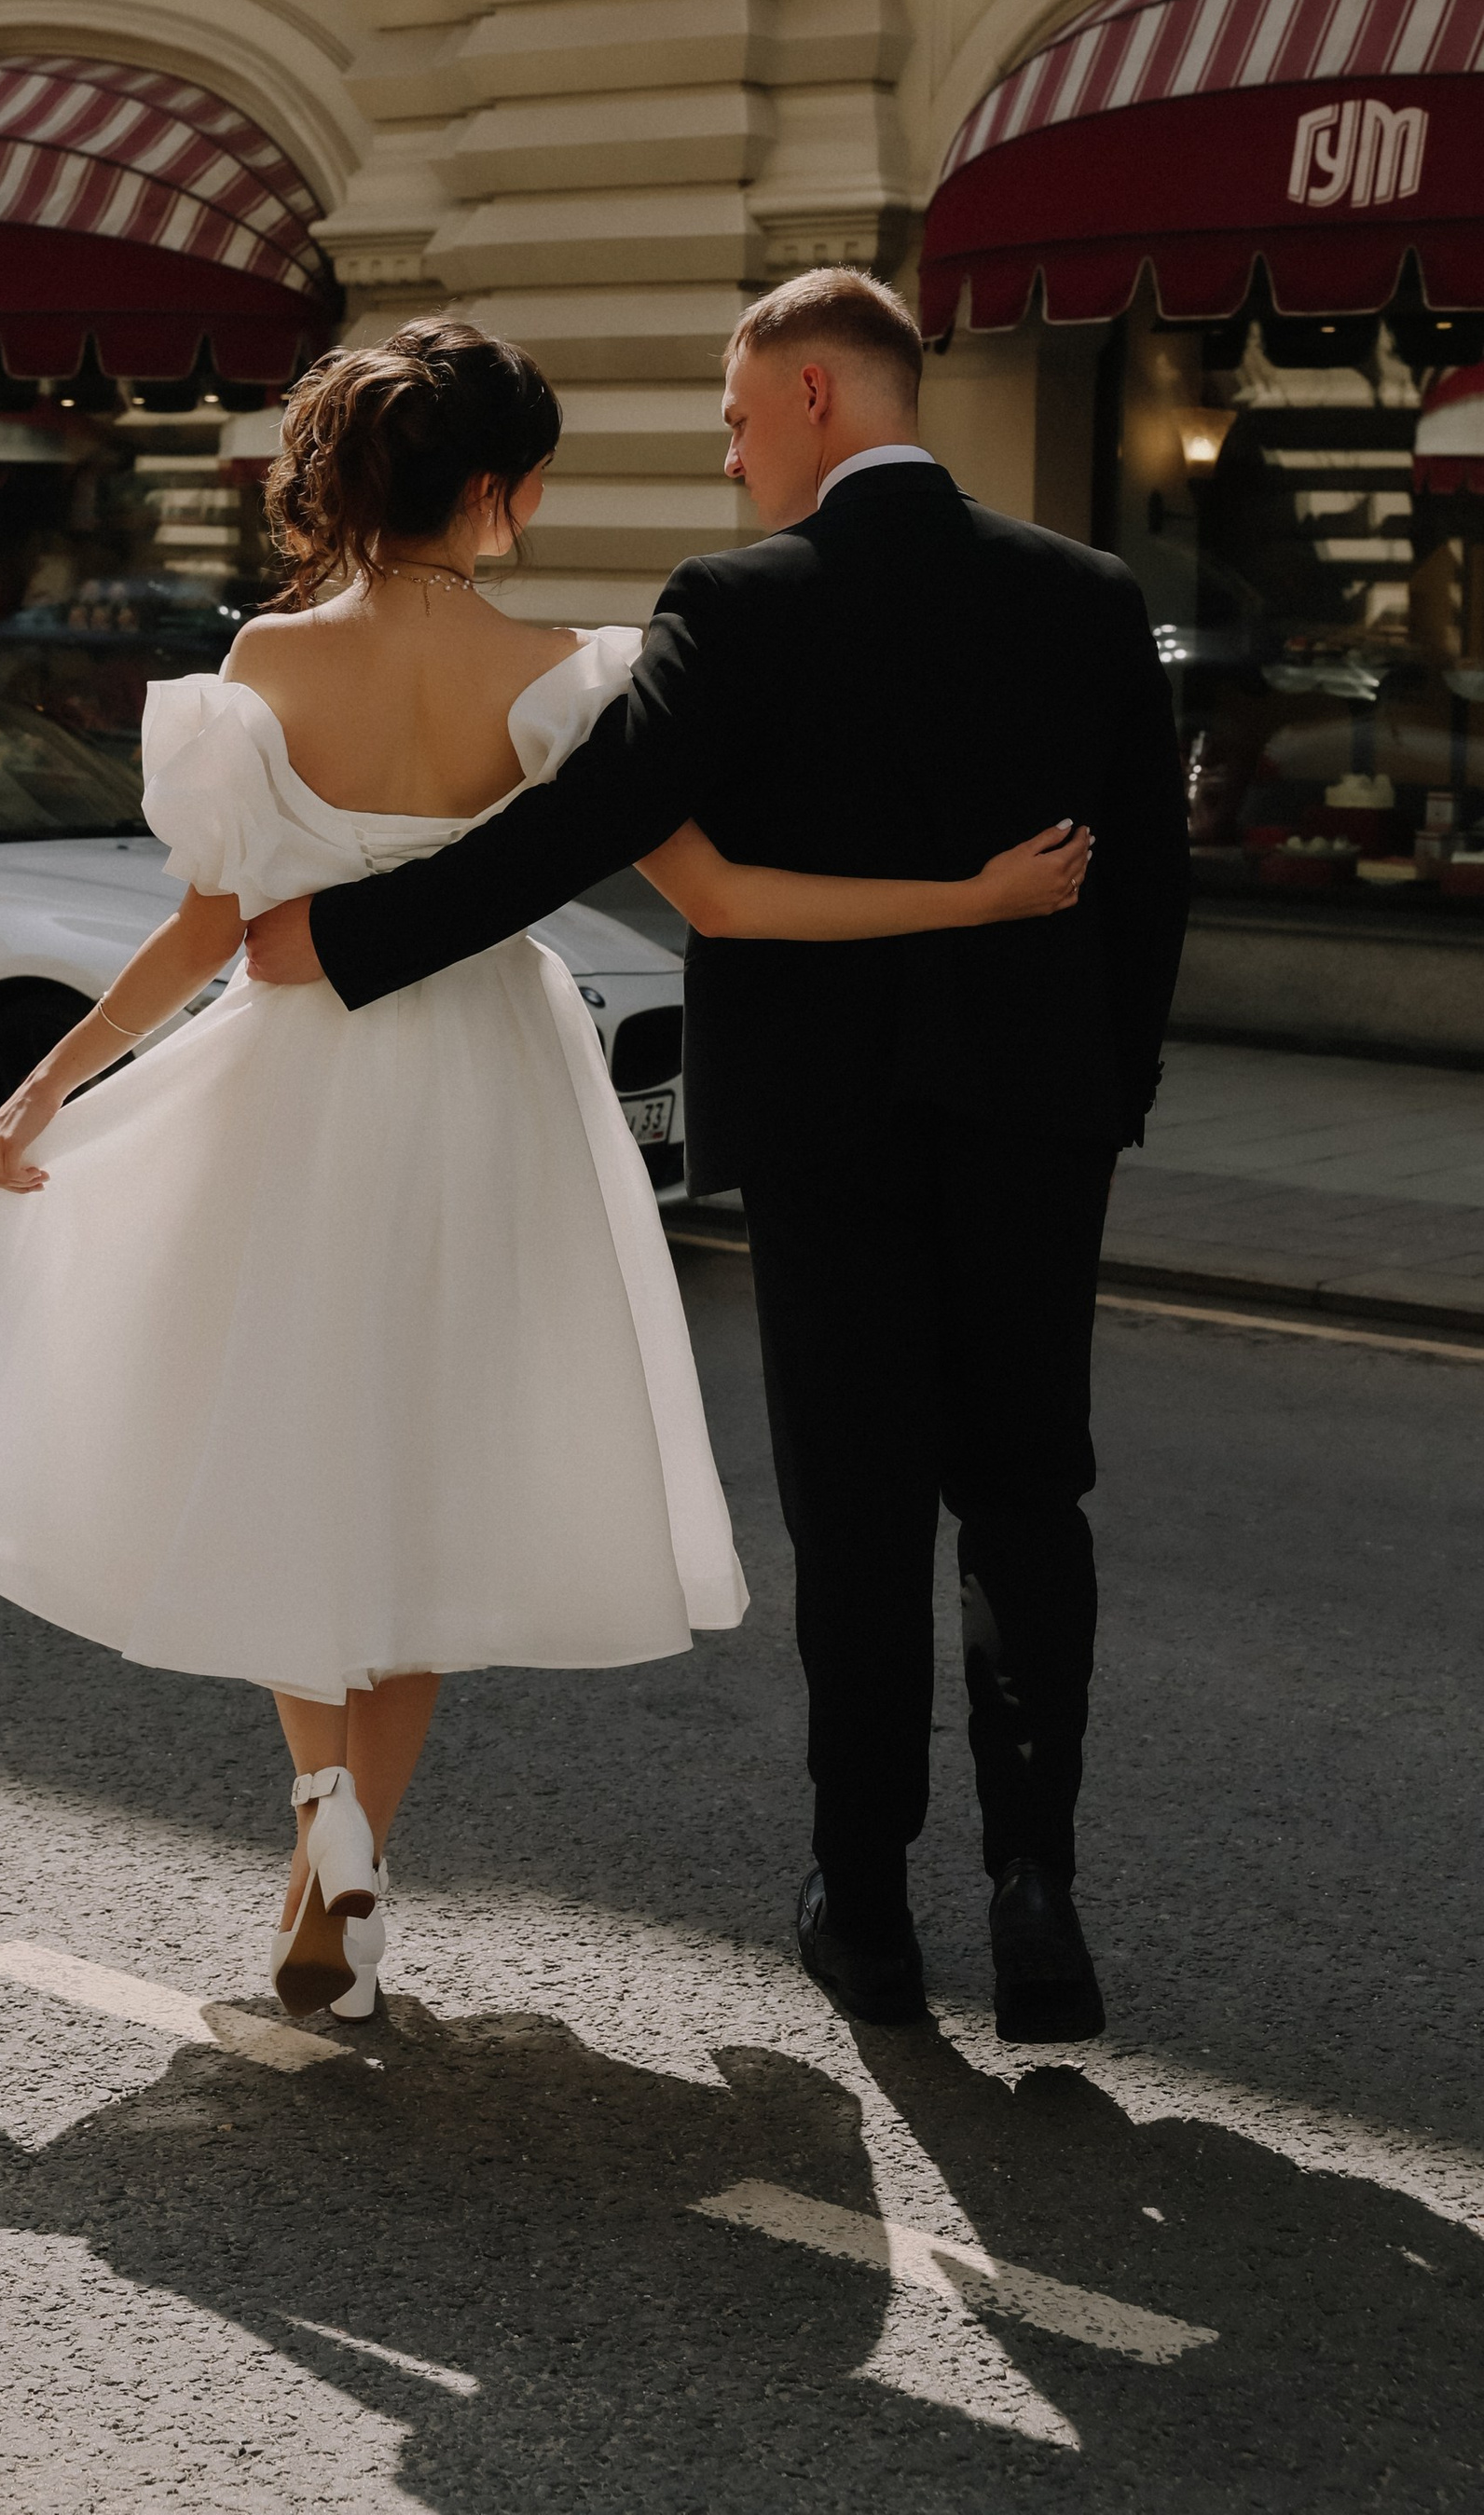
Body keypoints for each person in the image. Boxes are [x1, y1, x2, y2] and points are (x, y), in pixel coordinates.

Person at [0, 320, 1095, 2025]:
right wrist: (972, 899)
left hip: (296, 1085)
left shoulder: (266, 664)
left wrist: (47, 1085)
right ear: (498, 489)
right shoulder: (564, 676)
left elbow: (207, 933)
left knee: (293, 1458)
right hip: (489, 1093)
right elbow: (725, 903)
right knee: (417, 1480)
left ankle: (326, 1834)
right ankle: (350, 1858)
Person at [244, 273, 1190, 2043]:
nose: (732, 454)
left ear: (819, 394)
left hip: (829, 1132)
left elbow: (576, 829)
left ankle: (870, 1914)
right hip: (1037, 1120)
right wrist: (1102, 1094)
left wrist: (346, 942)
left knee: (860, 1517)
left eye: (743, 417)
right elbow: (1150, 882)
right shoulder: (1089, 594)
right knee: (1025, 1497)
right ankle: (1037, 1899)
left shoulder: (740, 605)